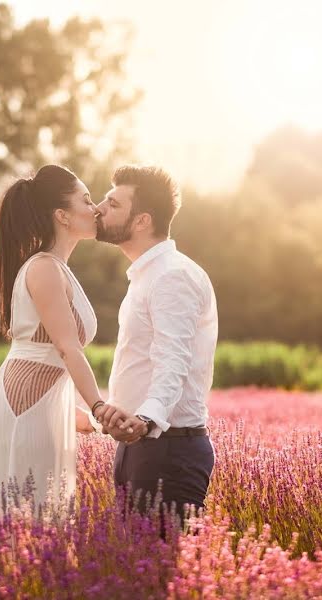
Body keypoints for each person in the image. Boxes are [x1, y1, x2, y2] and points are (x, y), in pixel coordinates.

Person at [0, 164, 134, 513]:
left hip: (35, 408)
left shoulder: (57, 269)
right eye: (86, 200)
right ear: (62, 215)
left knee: (34, 527)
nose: (95, 208)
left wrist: (83, 418)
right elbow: (65, 348)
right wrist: (99, 406)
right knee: (24, 524)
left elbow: (48, 364)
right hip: (19, 412)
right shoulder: (43, 267)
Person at [92, 165, 219, 526]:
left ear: (142, 220)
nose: (99, 208)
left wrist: (146, 419)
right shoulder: (148, 276)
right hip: (142, 445)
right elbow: (141, 364)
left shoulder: (171, 276)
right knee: (139, 572)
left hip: (168, 450)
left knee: (160, 574)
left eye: (113, 204)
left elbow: (172, 361)